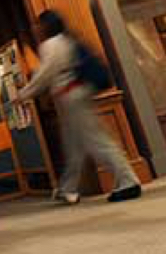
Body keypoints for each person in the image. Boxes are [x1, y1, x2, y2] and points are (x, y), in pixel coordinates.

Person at [15, 10, 141, 205]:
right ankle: (68, 188)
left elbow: (46, 74)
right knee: (74, 146)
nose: (34, 28)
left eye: (37, 24)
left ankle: (128, 181)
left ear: (46, 26)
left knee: (96, 141)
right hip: (74, 95)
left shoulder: (51, 44)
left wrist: (23, 94)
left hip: (71, 96)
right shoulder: (66, 41)